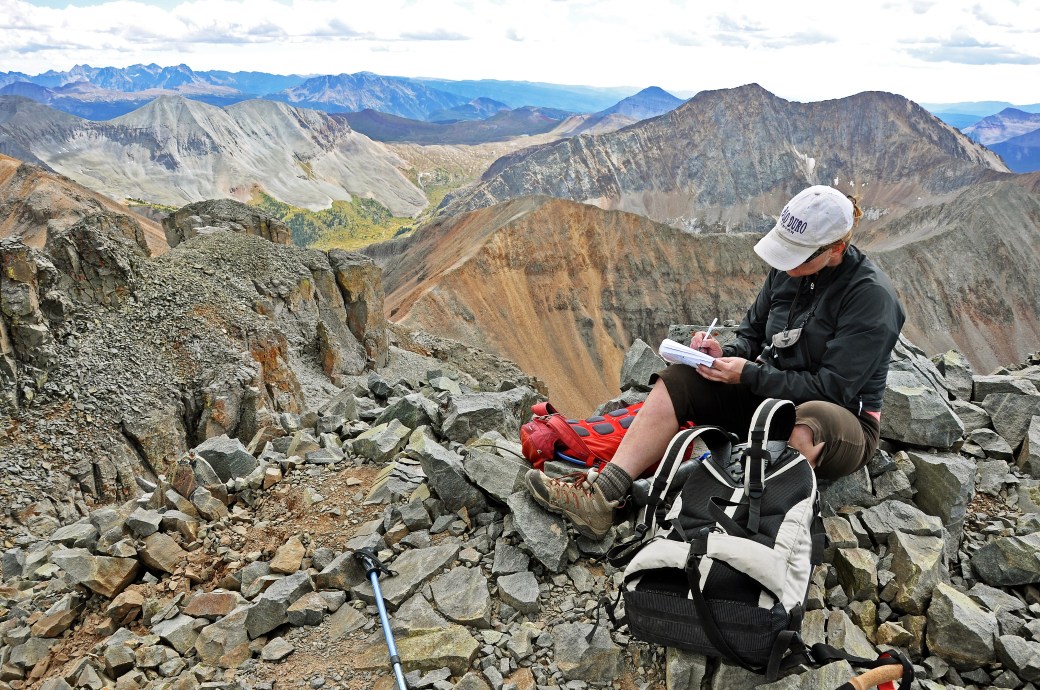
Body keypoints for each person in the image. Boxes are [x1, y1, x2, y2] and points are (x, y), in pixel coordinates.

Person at [525, 185, 906, 540]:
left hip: (842, 421)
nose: (785, 263)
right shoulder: (787, 272)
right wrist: (724, 354)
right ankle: (604, 496)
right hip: (769, 397)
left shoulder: (871, 297)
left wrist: (750, 374)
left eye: (796, 254)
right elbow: (751, 335)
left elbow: (833, 389)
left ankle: (754, 533)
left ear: (835, 250)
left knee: (808, 423)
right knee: (678, 379)